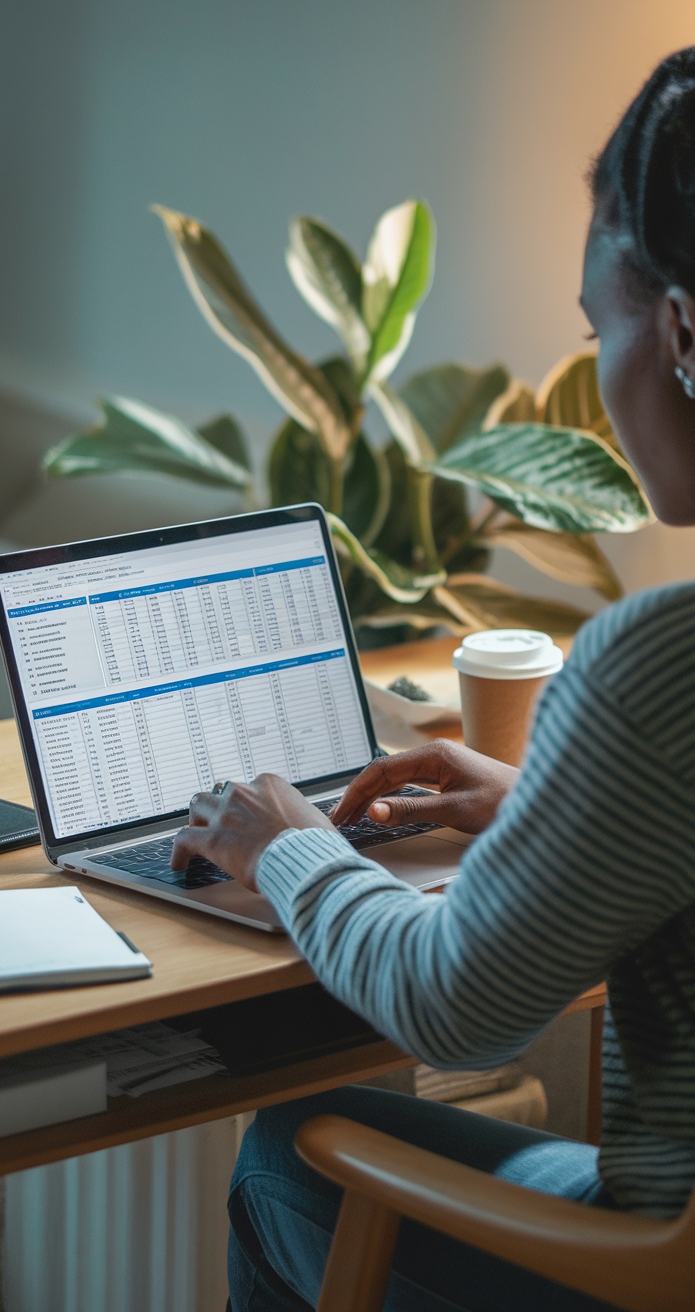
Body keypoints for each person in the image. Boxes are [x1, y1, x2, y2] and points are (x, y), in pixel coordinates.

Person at [171, 47, 695, 1311]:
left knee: (292, 1154)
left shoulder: (660, 661)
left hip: (651, 1270)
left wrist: (289, 840)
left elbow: (457, 1009)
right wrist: (543, 807)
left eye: (598, 329)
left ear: (680, 330)